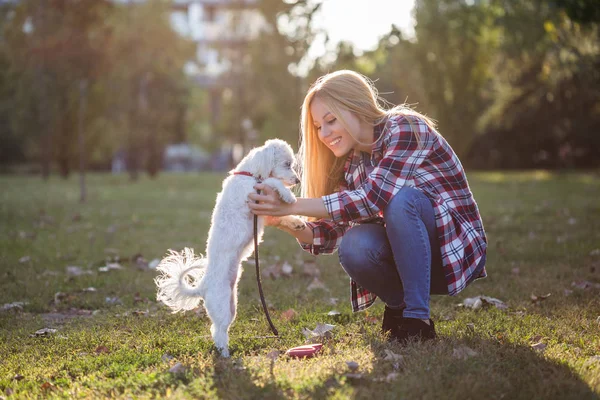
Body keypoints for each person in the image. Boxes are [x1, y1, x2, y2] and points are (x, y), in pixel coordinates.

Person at [248, 70, 487, 344]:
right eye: (317, 126)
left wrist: (288, 204)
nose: (324, 134)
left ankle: (418, 320)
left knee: (401, 201)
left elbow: (372, 197)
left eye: (330, 120)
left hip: (454, 252)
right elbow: (327, 234)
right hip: (412, 262)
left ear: (357, 108)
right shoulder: (352, 166)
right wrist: (283, 221)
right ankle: (400, 308)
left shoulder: (404, 128)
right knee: (354, 243)